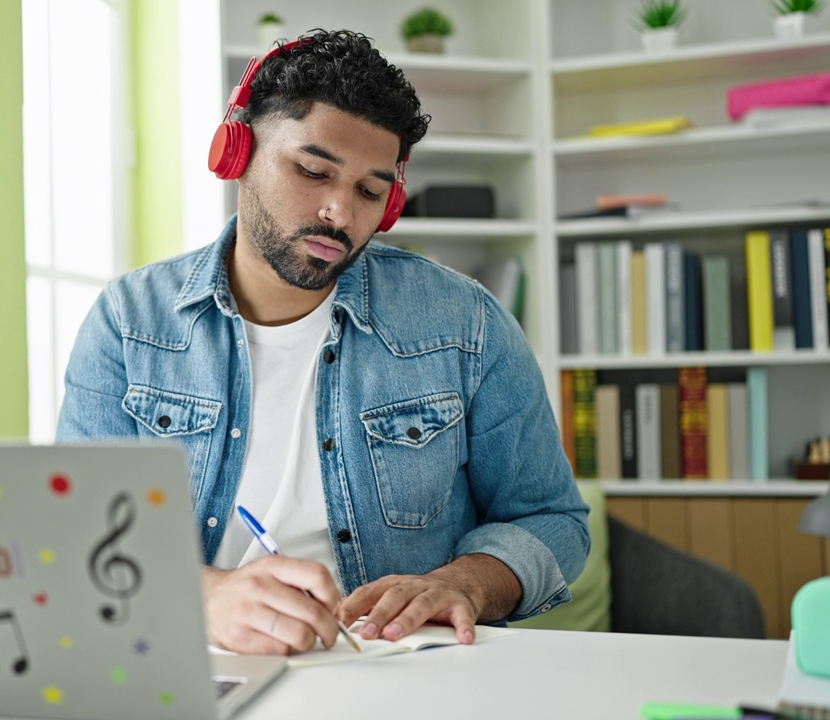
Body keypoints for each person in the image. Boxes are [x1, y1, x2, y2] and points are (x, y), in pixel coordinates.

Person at [57, 29, 589, 656]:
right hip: (196, 670)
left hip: (404, 681)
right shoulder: (128, 322)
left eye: (370, 191)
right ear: (237, 152)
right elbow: (76, 535)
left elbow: (554, 522)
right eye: (313, 171)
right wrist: (201, 597)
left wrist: (464, 584)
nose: (341, 212)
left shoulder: (465, 323)